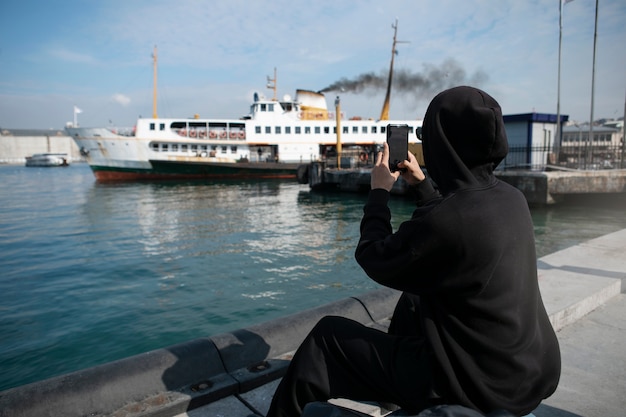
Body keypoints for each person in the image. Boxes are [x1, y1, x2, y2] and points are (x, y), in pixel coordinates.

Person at [266, 86, 561, 417]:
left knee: (326, 339)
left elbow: (374, 255)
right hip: (528, 371)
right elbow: (454, 231)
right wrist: (422, 185)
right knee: (413, 299)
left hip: (478, 386)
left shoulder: (448, 219)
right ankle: (397, 394)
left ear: (443, 145)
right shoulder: (511, 199)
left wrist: (379, 192)